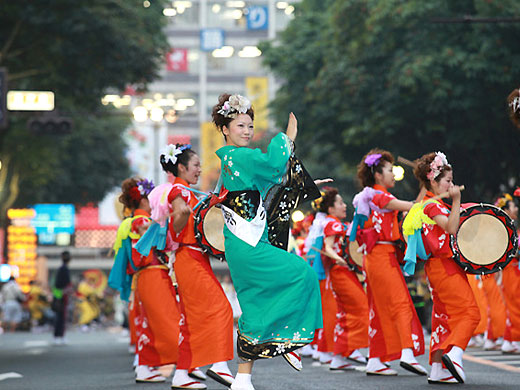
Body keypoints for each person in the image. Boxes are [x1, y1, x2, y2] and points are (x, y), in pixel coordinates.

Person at [213, 93, 323, 390]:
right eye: (240, 126)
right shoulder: (240, 156)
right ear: (225, 129)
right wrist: (287, 137)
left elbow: (272, 185)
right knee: (303, 274)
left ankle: (243, 378)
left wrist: (308, 184)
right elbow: (275, 165)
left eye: (250, 126)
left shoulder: (236, 161)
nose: (247, 131)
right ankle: (287, 340)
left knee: (255, 303)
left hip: (243, 242)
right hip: (248, 244)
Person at [159, 144, 234, 390]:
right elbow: (177, 225)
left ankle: (181, 375)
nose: (199, 170)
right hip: (188, 258)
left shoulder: (189, 192)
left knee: (191, 321)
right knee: (221, 308)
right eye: (195, 166)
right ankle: (219, 364)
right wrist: (181, 213)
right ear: (181, 168)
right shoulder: (178, 190)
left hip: (193, 258)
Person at [351, 149, 426, 376]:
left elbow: (414, 205)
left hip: (376, 258)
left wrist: (425, 184)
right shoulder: (379, 196)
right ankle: (406, 352)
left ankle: (375, 359)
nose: (394, 174)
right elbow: (413, 207)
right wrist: (427, 183)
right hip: (381, 258)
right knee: (400, 303)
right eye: (389, 171)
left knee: (380, 308)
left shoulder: (370, 195)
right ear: (377, 175)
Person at [408, 151, 480, 384]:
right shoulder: (432, 206)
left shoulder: (428, 202)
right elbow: (450, 228)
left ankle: (438, 368)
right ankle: (455, 354)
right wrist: (457, 199)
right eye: (447, 181)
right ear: (433, 181)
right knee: (471, 312)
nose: (451, 184)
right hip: (444, 266)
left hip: (437, 268)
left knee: (442, 318)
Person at [110, 177, 179, 383]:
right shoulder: (142, 221)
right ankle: (184, 365)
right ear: (142, 201)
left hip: (146, 276)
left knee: (148, 323)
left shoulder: (135, 221)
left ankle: (145, 367)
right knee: (168, 322)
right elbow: (152, 243)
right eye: (150, 199)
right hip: (152, 274)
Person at [319, 187, 369, 370]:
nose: (344, 205)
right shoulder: (332, 224)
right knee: (360, 307)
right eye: (340, 203)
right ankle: (348, 349)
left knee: (348, 311)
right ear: (330, 209)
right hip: (340, 272)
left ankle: (341, 355)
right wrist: (337, 257)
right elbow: (328, 246)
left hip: (345, 272)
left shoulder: (339, 224)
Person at [495, 193, 520, 354]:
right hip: (510, 269)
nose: (516, 209)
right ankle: (515, 338)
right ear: (505, 210)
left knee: (512, 304)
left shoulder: (507, 226)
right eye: (513, 206)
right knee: (515, 304)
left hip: (511, 269)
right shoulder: (504, 227)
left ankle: (510, 339)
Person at [52, 251, 72, 344]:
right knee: (61, 318)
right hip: (61, 297)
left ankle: (59, 336)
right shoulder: (64, 269)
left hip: (59, 296)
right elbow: (62, 285)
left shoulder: (62, 269)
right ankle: (59, 336)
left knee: (60, 318)